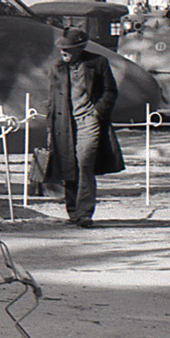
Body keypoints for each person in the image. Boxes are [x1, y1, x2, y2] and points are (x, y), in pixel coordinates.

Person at [43, 27, 124, 227]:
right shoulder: (57, 67)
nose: (64, 52)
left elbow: (110, 91)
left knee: (85, 163)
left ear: (80, 48)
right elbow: (52, 98)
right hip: (64, 123)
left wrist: (97, 113)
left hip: (89, 122)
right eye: (62, 48)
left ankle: (85, 212)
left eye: (68, 49)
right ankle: (73, 212)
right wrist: (49, 126)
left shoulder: (98, 63)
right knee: (69, 165)